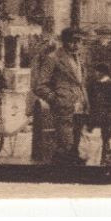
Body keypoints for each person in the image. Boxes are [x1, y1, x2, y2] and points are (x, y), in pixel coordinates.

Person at [32, 27, 89, 164]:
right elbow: (39, 86)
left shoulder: (79, 59)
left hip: (80, 107)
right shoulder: (53, 58)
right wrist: (56, 100)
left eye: (79, 41)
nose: (76, 45)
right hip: (63, 108)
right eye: (72, 41)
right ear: (64, 42)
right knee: (65, 145)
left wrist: (85, 101)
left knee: (78, 148)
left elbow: (80, 83)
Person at [86, 63, 111, 164]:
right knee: (87, 134)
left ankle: (105, 158)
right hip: (94, 114)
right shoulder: (93, 84)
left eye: (97, 71)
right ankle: (89, 157)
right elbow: (88, 97)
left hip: (107, 115)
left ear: (103, 72)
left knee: (106, 138)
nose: (95, 73)